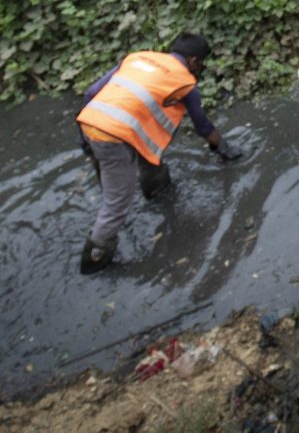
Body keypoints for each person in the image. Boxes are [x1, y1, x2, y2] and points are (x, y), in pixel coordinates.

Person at [75, 33, 240, 274]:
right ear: (194, 61)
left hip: (90, 122)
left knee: (149, 166)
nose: (200, 69)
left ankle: (157, 189)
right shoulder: (185, 83)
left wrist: (85, 137)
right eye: (201, 64)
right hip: (113, 137)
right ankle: (94, 258)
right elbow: (202, 125)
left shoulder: (138, 58)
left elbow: (91, 93)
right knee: (117, 203)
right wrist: (223, 149)